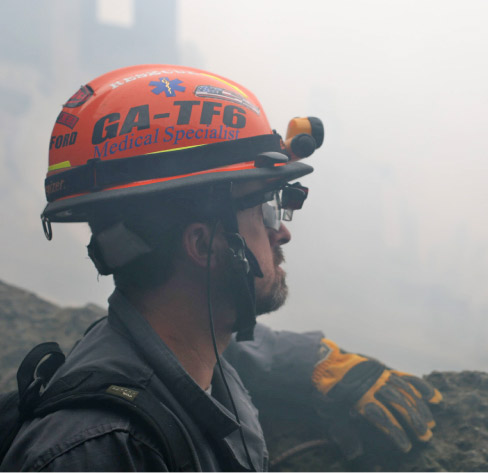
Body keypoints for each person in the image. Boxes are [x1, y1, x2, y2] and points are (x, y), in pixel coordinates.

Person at [1, 65, 441, 471]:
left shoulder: (187, 352)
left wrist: (310, 360)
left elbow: (227, 351)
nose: (281, 234)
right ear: (204, 245)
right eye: (266, 209)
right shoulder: (102, 451)